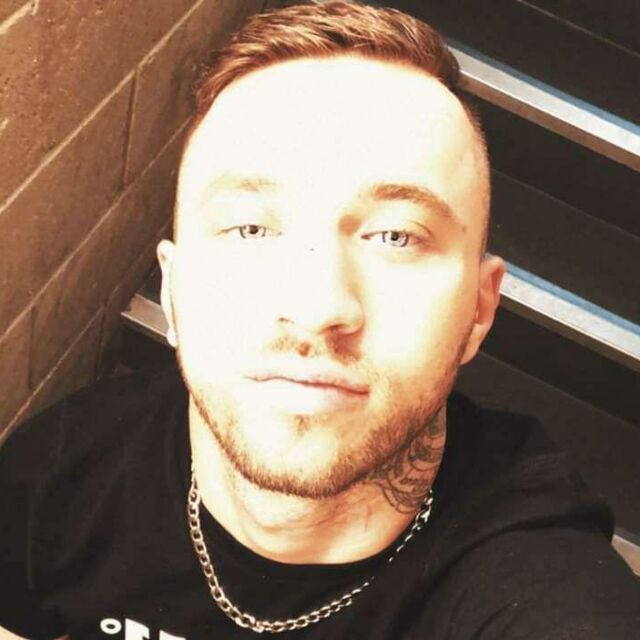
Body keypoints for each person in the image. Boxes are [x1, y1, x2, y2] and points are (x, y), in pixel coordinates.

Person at [1, 1, 638, 638]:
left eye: (395, 236)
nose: (316, 308)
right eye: (250, 228)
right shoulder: (64, 473)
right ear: (172, 292)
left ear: (479, 309)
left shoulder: (536, 583)